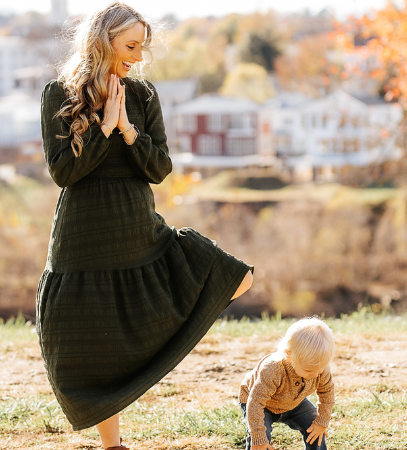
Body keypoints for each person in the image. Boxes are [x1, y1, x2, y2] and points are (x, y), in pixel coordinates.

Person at [35, 3, 253, 449]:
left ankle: (159, 358)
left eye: (141, 47)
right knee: (94, 341)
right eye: (130, 46)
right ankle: (112, 444)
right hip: (83, 232)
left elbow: (160, 168)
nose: (137, 56)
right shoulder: (59, 94)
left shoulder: (145, 94)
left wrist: (129, 132)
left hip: (136, 224)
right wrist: (103, 128)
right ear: (103, 41)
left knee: (236, 277)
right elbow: (63, 173)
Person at [239, 318, 335, 450]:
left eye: (320, 368)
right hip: (260, 404)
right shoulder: (273, 369)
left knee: (314, 426)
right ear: (289, 355)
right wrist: (258, 436)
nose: (315, 374)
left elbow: (327, 393)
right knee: (260, 439)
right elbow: (255, 402)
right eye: (308, 370)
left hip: (292, 402)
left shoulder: (319, 368)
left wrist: (322, 422)